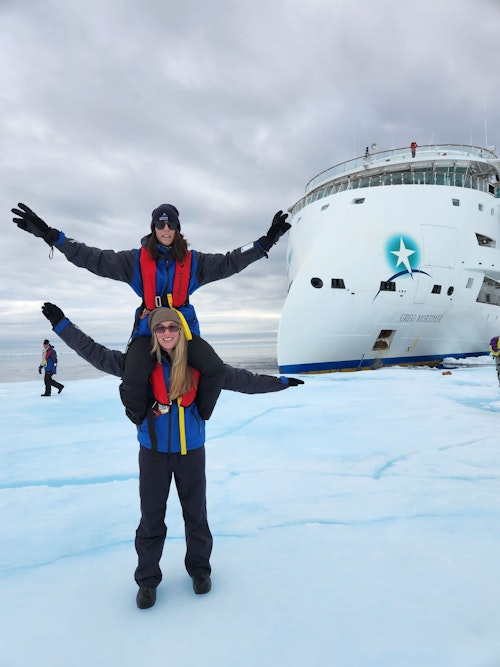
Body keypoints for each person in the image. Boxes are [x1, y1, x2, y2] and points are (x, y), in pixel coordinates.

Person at [41, 302, 304, 609]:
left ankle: (200, 570)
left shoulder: (197, 365)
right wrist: (62, 324)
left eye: (172, 327)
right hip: (153, 454)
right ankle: (148, 581)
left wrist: (280, 383)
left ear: (181, 331)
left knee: (196, 516)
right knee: (152, 520)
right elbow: (94, 353)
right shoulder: (138, 364)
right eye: (160, 328)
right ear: (153, 333)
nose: (166, 332)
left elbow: (241, 380)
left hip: (191, 452)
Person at [12, 203, 291, 426]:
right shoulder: (133, 261)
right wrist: (52, 236)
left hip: (184, 330)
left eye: (170, 223)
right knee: (132, 378)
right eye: (160, 223)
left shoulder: (195, 263)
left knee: (216, 370)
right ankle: (140, 419)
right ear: (153, 227)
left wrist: (264, 243)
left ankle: (200, 415)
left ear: (178, 228)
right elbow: (91, 257)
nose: (165, 228)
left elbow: (231, 261)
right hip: (148, 330)